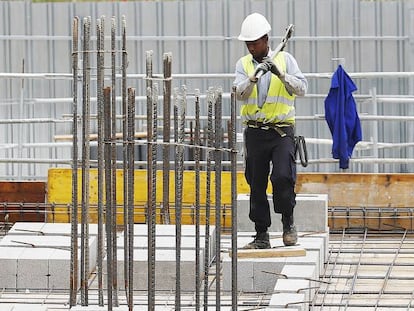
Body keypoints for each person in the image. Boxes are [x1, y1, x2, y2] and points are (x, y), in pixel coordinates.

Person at [234, 13, 308, 248]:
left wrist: (280, 74)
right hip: (255, 132)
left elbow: (302, 89)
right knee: (256, 183)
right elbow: (239, 94)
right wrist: (253, 78)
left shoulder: (285, 59)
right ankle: (261, 234)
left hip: (281, 131)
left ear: (266, 40)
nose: (251, 48)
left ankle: (288, 221)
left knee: (283, 177)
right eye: (248, 44)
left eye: (255, 43)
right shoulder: (243, 65)